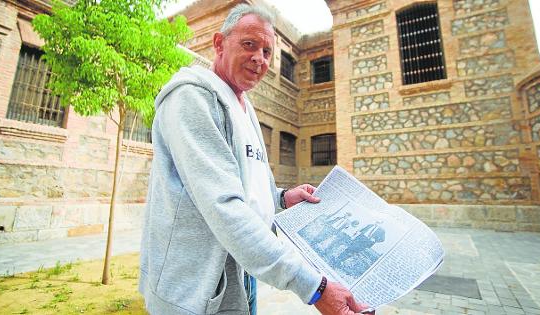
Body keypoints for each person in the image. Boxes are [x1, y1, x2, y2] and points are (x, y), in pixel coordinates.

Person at [139, 4, 370, 315]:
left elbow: (247, 190)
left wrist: (282, 198)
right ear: (219, 44)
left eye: (267, 51)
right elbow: (224, 205)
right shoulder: (192, 99)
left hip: (243, 274)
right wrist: (314, 287)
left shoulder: (244, 106)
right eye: (249, 44)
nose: (260, 58)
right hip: (196, 291)